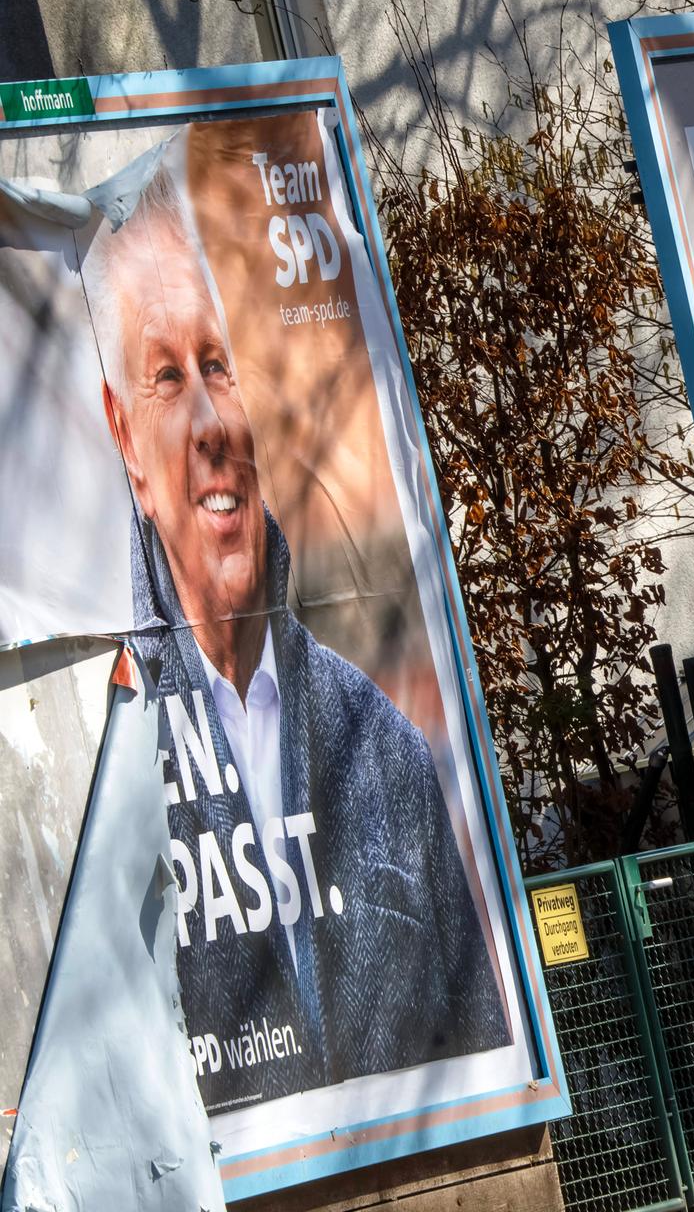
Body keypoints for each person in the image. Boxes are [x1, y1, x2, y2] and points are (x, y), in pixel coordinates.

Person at [85, 161, 509, 1110]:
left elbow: (482, 1059)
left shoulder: (386, 751)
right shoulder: (109, 773)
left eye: (217, 366)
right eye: (166, 377)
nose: (211, 421)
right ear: (125, 440)